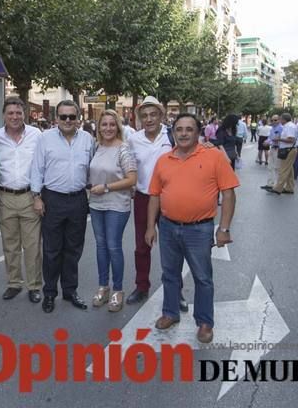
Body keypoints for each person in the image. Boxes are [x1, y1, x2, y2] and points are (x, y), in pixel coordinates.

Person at [146, 113, 239, 344]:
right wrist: (150, 227)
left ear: (198, 132)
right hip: (167, 227)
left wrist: (224, 229)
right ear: (174, 133)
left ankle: (205, 322)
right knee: (169, 274)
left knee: (203, 278)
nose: (184, 133)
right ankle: (170, 313)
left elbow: (228, 193)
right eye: (179, 129)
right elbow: (154, 197)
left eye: (189, 129)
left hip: (200, 229)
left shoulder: (214, 157)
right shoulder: (163, 160)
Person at [31, 99, 94, 313]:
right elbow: (37, 169)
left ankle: (70, 291)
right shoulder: (45, 139)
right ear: (56, 118)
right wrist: (37, 197)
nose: (68, 120)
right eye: (63, 116)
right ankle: (50, 293)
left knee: (73, 249)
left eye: (72, 116)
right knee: (51, 250)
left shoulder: (87, 139)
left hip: (78, 199)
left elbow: (92, 168)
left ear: (78, 118)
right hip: (53, 199)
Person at [0, 97, 43, 303]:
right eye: (10, 113)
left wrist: (39, 195)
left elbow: (42, 165)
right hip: (4, 196)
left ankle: (34, 286)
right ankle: (14, 283)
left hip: (29, 196)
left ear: (25, 114)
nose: (15, 116)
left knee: (32, 246)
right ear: (4, 115)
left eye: (18, 112)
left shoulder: (36, 135)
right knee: (10, 244)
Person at [126, 96, 174, 306]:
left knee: (172, 248)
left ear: (161, 115)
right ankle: (142, 286)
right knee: (142, 246)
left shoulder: (172, 136)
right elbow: (127, 166)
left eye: (153, 114)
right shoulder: (133, 140)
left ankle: (175, 291)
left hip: (170, 198)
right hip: (143, 199)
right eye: (144, 115)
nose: (149, 119)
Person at [88, 110, 136, 312]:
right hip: (96, 204)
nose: (108, 128)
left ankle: (118, 290)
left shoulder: (123, 149)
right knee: (100, 246)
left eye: (111, 124)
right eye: (104, 124)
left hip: (117, 204)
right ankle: (103, 287)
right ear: (99, 127)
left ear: (118, 127)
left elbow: (132, 179)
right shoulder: (96, 147)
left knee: (113, 246)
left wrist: (106, 187)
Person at [267, 113, 297, 195]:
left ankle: (278, 188)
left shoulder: (290, 127)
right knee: (289, 170)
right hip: (288, 149)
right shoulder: (288, 126)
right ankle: (289, 188)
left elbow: (291, 139)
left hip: (288, 149)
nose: (280, 121)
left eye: (280, 119)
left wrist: (279, 139)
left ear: (284, 119)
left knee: (283, 170)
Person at [260, 116, 283, 191]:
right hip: (273, 148)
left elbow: (279, 139)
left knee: (277, 167)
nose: (273, 121)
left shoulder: (281, 128)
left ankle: (276, 185)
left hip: (278, 148)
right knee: (270, 166)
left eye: (275, 120)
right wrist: (266, 141)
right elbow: (270, 138)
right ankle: (270, 184)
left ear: (279, 120)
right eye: (272, 120)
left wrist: (269, 142)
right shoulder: (272, 128)